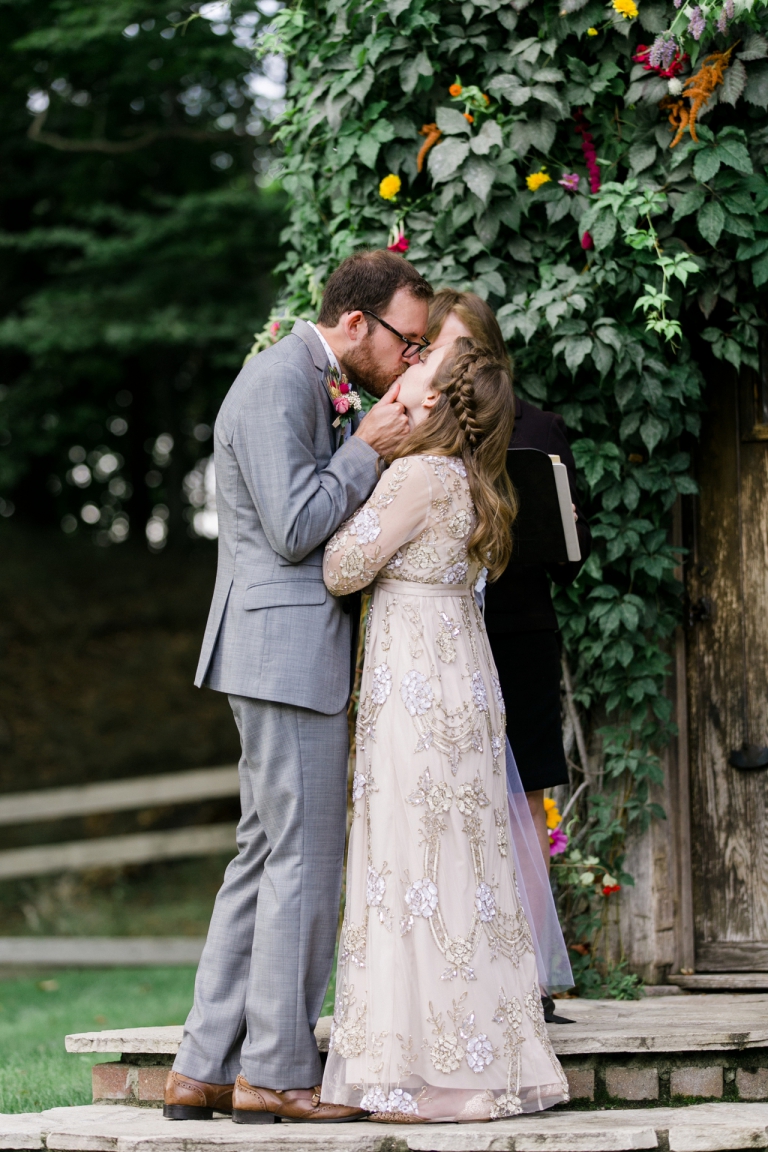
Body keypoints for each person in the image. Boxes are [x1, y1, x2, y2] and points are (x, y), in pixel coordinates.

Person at [164, 250, 433, 1125]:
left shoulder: (298, 375)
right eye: (406, 340)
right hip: (284, 648)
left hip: (270, 648)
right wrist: (368, 447)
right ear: (355, 324)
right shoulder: (282, 380)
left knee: (262, 858)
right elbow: (293, 528)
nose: (412, 361)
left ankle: (202, 1068)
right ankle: (275, 1074)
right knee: (304, 864)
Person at [320, 337, 570, 1124]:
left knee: (413, 863)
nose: (404, 377)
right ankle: (475, 1056)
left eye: (418, 373)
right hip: (459, 676)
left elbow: (340, 567)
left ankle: (434, 1073)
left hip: (419, 690)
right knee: (460, 867)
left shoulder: (416, 475)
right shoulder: (470, 476)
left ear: (432, 402)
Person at [426, 291, 591, 870]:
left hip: (517, 641)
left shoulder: (540, 429)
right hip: (437, 647)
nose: (449, 363)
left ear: (490, 352)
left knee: (523, 812)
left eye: (463, 348)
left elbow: (572, 562)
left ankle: (533, 963)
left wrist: (564, 522)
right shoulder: (412, 430)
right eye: (435, 348)